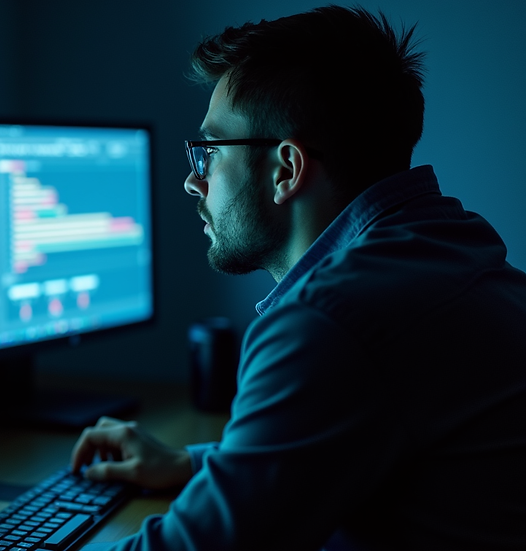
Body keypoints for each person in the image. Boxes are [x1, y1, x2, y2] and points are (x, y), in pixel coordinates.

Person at [70, 6, 526, 550]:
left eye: (209, 151)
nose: (194, 182)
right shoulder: (450, 248)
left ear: (285, 169)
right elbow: (359, 432)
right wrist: (193, 463)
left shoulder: (331, 324)